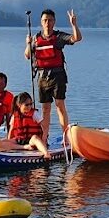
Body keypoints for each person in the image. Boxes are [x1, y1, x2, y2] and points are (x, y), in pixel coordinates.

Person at [27, 8, 82, 144]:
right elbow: (27, 55)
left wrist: (74, 24)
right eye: (45, 20)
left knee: (59, 105)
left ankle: (66, 137)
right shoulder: (35, 39)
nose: (47, 23)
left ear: (54, 22)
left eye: (50, 20)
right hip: (42, 77)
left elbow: (77, 38)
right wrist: (28, 44)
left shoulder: (58, 37)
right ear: (41, 22)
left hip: (58, 75)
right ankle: (44, 137)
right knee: (45, 109)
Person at [0, 92, 52, 156]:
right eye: (26, 105)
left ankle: (46, 153)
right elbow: (11, 130)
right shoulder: (15, 116)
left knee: (35, 137)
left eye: (31, 104)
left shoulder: (34, 114)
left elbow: (45, 126)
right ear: (19, 105)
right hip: (19, 141)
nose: (29, 106)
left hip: (32, 141)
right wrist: (9, 141)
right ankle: (24, 147)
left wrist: (44, 140)